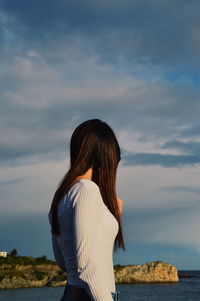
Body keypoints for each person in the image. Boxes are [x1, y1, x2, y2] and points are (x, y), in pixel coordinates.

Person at [48, 119, 125, 301]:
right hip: (90, 295)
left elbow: (66, 263)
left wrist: (113, 216)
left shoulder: (61, 197)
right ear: (106, 155)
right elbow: (88, 266)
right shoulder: (86, 191)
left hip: (73, 292)